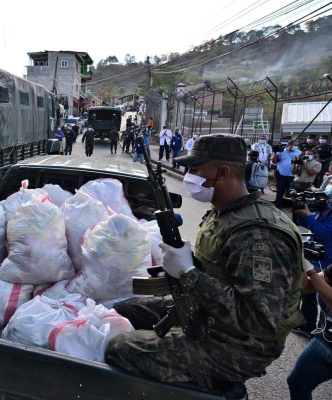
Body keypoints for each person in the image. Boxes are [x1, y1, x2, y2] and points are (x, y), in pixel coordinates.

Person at [105, 134, 304, 389]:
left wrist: (188, 273)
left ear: (223, 172)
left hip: (238, 347)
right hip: (211, 314)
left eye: (195, 169)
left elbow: (259, 320)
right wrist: (184, 267)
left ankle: (208, 386)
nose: (189, 175)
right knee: (124, 308)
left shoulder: (259, 237)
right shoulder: (226, 213)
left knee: (120, 348)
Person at [290, 184, 332, 338]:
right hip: (318, 255)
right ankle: (311, 325)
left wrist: (308, 217)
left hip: (327, 259)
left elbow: (326, 235)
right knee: (308, 291)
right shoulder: (326, 208)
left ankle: (319, 328)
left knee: (324, 297)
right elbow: (309, 224)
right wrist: (301, 214)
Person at [287, 263, 332, 399]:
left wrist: (311, 271)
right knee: (297, 382)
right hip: (324, 342)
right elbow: (307, 287)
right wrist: (300, 263)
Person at [271, 139, 301, 209]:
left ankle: (292, 207)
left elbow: (300, 162)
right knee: (280, 191)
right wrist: (275, 152)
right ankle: (278, 206)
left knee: (291, 192)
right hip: (282, 175)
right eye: (294, 145)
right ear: (289, 145)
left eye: (297, 145)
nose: (296, 147)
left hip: (292, 175)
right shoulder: (281, 152)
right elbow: (274, 161)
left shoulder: (298, 152)